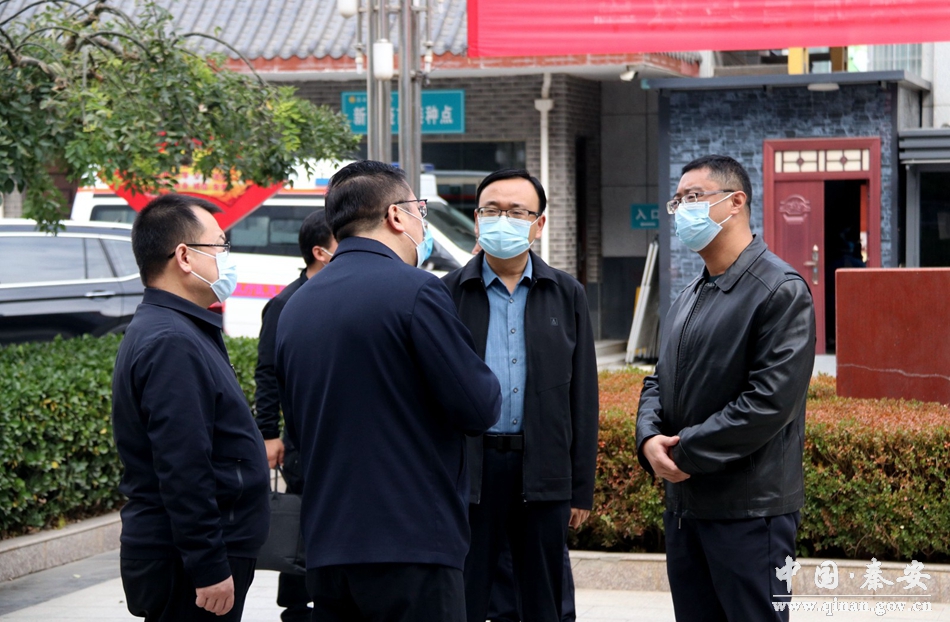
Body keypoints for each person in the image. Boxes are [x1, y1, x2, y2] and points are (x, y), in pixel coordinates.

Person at [275, 160, 502, 622]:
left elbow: (296, 430)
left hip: (327, 546)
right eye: (421, 210)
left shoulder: (295, 307)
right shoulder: (417, 291)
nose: (423, 224)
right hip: (412, 543)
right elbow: (479, 406)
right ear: (397, 215)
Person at [635, 155, 816, 621]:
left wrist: (683, 452)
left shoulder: (779, 290)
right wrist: (648, 438)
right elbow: (658, 379)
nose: (682, 210)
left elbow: (768, 403)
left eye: (694, 197)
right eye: (678, 201)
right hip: (686, 509)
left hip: (749, 514)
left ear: (736, 202)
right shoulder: (689, 294)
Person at [442, 168, 599, 622]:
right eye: (492, 211)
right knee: (464, 594)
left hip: (542, 469)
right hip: (469, 472)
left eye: (516, 212)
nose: (503, 220)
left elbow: (583, 396)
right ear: (476, 220)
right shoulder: (446, 293)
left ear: (539, 223)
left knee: (544, 599)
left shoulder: (566, 293)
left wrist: (580, 488)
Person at [111, 194, 270, 622]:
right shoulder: (171, 342)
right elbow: (183, 464)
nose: (226, 258)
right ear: (184, 256)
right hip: (185, 561)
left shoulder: (178, 328)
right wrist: (208, 564)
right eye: (220, 245)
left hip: (191, 551)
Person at [252, 209, 337, 622]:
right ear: (320, 252)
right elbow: (267, 373)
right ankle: (297, 607)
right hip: (302, 440)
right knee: (304, 523)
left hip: (338, 437)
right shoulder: (285, 304)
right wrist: (268, 434)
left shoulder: (341, 295)